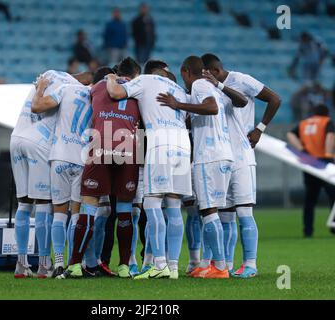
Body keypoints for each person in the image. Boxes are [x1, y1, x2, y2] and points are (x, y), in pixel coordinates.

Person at [157, 56, 248, 279]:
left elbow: (211, 108)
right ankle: (214, 264)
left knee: (208, 211)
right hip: (225, 155)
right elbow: (230, 104)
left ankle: (219, 267)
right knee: (212, 210)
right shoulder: (214, 88)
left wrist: (177, 104)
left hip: (209, 157)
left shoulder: (199, 84)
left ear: (186, 71)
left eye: (184, 77)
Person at [107, 60, 191, 280]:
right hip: (183, 145)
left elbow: (116, 93)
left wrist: (112, 78)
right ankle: (173, 267)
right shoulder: (178, 89)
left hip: (160, 144)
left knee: (151, 203)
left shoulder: (145, 80)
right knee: (174, 206)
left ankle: (158, 264)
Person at [28, 67, 114, 278]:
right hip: (82, 159)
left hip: (59, 156)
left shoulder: (66, 89)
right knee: (76, 214)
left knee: (58, 212)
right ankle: (72, 263)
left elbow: (38, 106)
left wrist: (39, 89)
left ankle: (57, 264)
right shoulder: (99, 98)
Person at [201, 53, 281, 278]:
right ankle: (225, 264)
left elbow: (275, 98)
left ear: (214, 71)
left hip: (242, 155)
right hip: (222, 154)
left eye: (206, 74)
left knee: (244, 210)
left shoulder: (242, 80)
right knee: (225, 213)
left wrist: (260, 129)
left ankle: (250, 264)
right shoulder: (210, 87)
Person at [62, 57, 141, 279]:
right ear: (136, 74)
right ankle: (125, 266)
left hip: (100, 142)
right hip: (128, 147)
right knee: (125, 209)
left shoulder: (97, 86)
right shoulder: (139, 89)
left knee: (89, 206)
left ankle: (75, 265)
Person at [10, 70, 91, 278]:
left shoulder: (49, 75)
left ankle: (21, 263)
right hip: (40, 142)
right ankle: (44, 264)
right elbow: (41, 106)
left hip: (17, 137)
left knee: (24, 204)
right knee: (45, 204)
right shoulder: (75, 89)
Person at [287, 104, 335, 237]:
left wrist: (301, 149)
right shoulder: (327, 121)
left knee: (310, 198)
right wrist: (329, 154)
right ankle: (333, 226)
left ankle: (307, 230)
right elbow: (330, 136)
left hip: (308, 163)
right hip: (324, 162)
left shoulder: (304, 123)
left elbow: (290, 134)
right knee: (333, 196)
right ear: (326, 113)